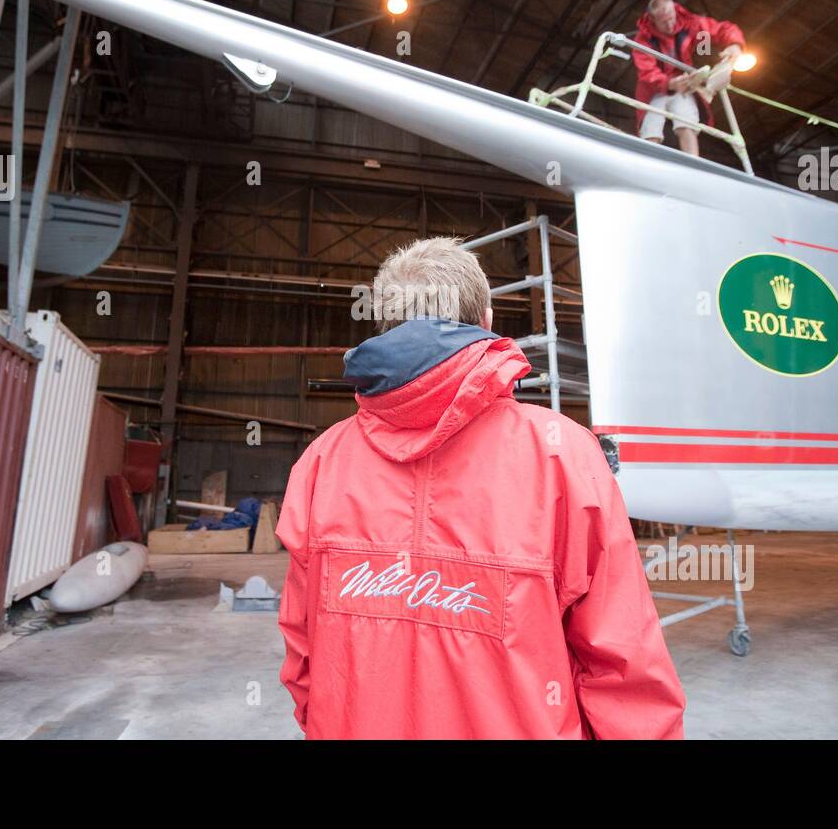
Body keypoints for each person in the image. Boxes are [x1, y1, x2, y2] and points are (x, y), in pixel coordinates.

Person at [275, 237, 685, 739]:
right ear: (486, 321)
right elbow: (624, 666)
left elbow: (303, 655)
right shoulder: (564, 455)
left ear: (382, 324)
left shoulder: (321, 462)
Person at [632, 0, 745, 157]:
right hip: (654, 91)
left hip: (684, 86)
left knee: (686, 123)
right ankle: (646, 161)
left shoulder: (690, 24)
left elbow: (720, 29)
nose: (670, 24)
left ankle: (692, 161)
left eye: (671, 18)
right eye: (664, 22)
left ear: (675, 12)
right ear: (652, 19)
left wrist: (735, 45)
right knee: (651, 128)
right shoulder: (643, 39)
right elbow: (647, 72)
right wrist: (670, 83)